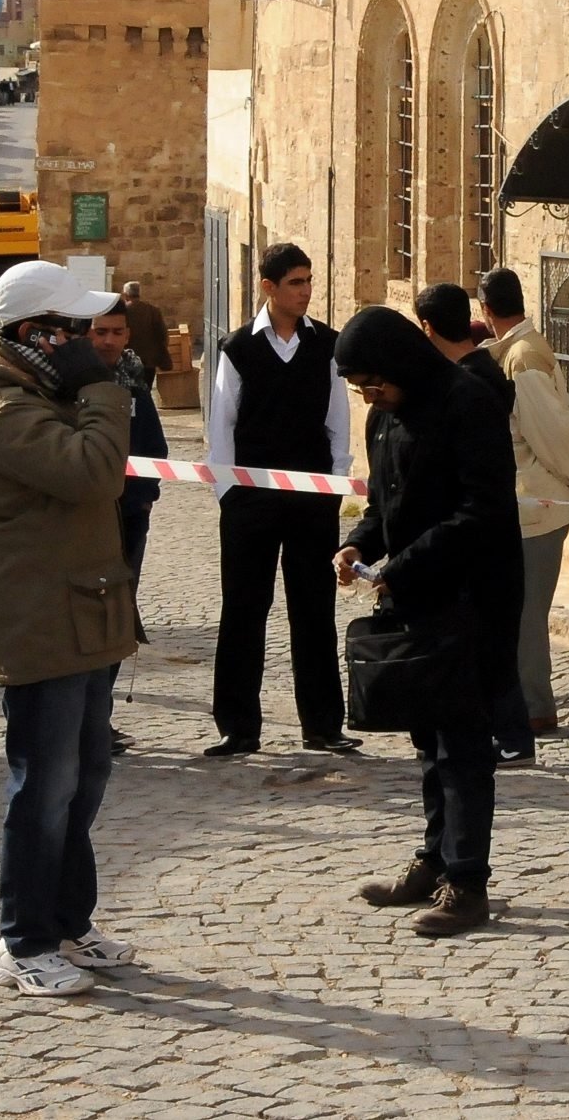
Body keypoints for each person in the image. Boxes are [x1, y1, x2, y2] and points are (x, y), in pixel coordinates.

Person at [0, 259, 138, 995]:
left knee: (83, 780)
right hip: (39, 619)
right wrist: (102, 392)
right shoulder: (1, 411)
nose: (91, 342)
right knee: (43, 788)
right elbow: (93, 473)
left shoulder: (38, 391)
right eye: (74, 330)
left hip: (81, 607)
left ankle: (67, 923)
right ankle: (21, 942)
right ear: (35, 335)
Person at [334, 305, 521, 938]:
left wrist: (403, 565)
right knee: (427, 739)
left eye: (374, 384)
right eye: (361, 389)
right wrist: (360, 543)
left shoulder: (468, 403)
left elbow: (483, 509)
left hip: (470, 595)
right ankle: (434, 858)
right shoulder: (388, 417)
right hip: (414, 596)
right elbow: (389, 501)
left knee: (463, 743)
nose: (370, 397)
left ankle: (467, 882)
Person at [203, 242, 356, 759]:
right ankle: (238, 725)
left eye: (309, 280)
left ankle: (323, 724)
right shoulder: (238, 348)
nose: (306, 291)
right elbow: (221, 424)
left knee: (314, 610)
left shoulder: (328, 347)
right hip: (251, 500)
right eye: (295, 282)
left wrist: (333, 487)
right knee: (244, 609)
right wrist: (230, 493)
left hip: (312, 498)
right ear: (269, 287)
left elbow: (338, 423)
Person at [477, 268, 569, 752]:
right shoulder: (518, 351)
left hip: (537, 502)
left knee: (526, 614)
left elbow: (550, 432)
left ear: (486, 311)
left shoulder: (522, 357)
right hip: (531, 500)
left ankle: (534, 706)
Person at [88, 300, 169, 736]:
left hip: (131, 512)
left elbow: (153, 443)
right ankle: (87, 719)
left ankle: (101, 717)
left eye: (117, 332)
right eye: (100, 331)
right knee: (89, 617)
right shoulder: (72, 378)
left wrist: (145, 495)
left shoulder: (134, 377)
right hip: (87, 514)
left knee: (119, 617)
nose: (109, 341)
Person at [120, 282, 172, 377]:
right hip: (149, 361)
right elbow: (163, 335)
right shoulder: (153, 311)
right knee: (146, 389)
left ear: (125, 295)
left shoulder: (122, 312)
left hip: (127, 360)